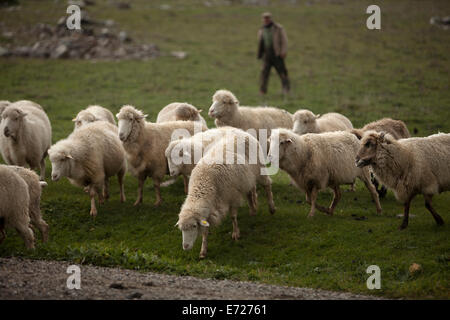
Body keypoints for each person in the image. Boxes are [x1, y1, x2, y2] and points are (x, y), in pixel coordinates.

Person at [257, 12, 290, 98]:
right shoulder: (262, 29)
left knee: (282, 72)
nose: (266, 20)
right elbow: (261, 42)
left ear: (270, 19)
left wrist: (283, 51)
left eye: (267, 18)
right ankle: (262, 91)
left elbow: (284, 40)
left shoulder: (278, 28)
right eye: (264, 18)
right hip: (266, 55)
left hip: (277, 54)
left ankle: (286, 89)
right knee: (264, 73)